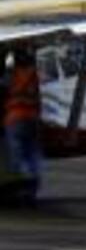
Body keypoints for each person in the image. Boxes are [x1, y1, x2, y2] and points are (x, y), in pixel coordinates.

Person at [4, 45, 43, 202]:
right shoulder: (35, 74)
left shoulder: (11, 75)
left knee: (16, 155)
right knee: (33, 152)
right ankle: (32, 186)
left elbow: (3, 88)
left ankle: (23, 182)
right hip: (33, 118)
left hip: (14, 119)